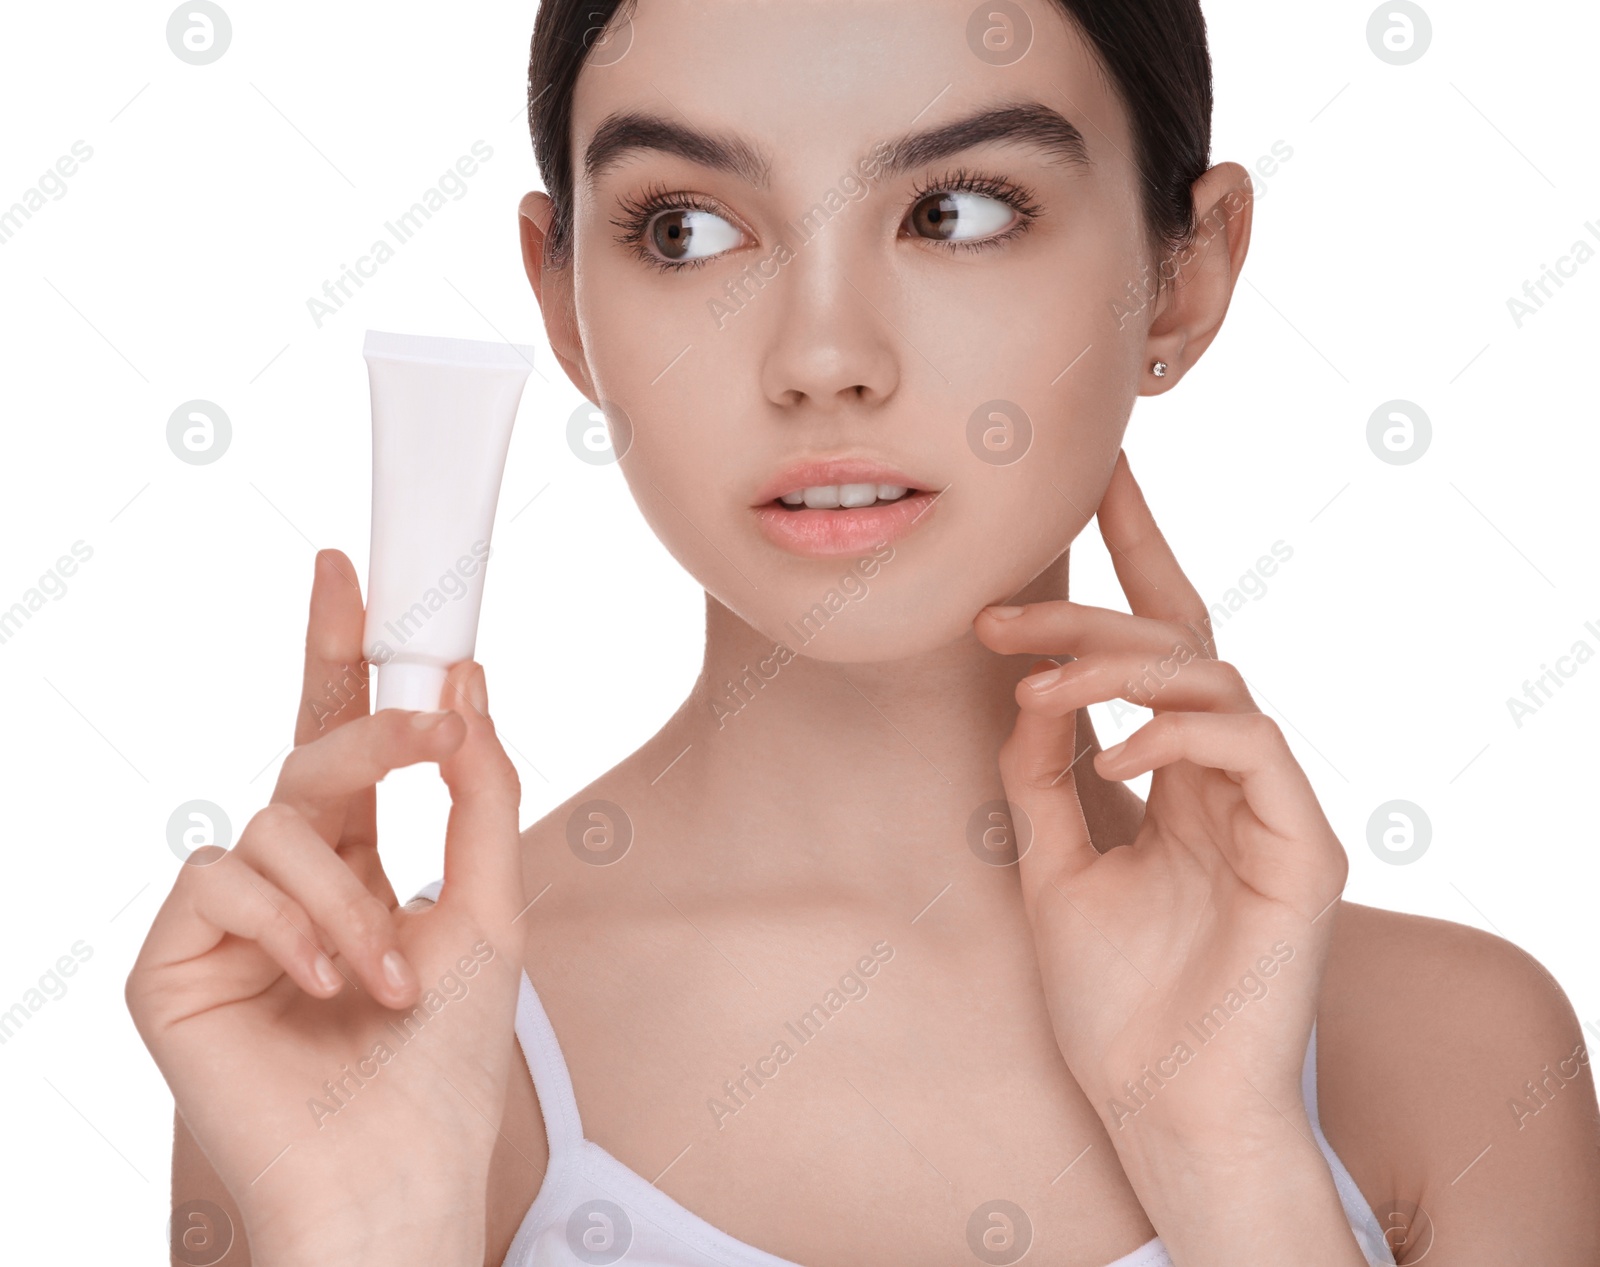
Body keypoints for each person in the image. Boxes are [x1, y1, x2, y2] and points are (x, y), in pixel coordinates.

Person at [127, 1, 1600, 1263]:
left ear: (1188, 268)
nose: (824, 356)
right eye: (688, 229)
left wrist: (1234, 1164)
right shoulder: (351, 1051)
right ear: (565, 303)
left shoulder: (1453, 1062)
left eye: (954, 210)